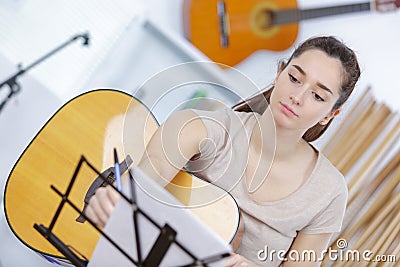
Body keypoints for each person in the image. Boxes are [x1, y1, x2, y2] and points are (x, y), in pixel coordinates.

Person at [85, 36, 361, 266]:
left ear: (330, 114)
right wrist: (110, 205)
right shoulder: (198, 127)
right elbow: (133, 198)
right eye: (294, 78)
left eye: (318, 96)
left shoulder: (330, 192)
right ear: (279, 74)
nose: (297, 97)